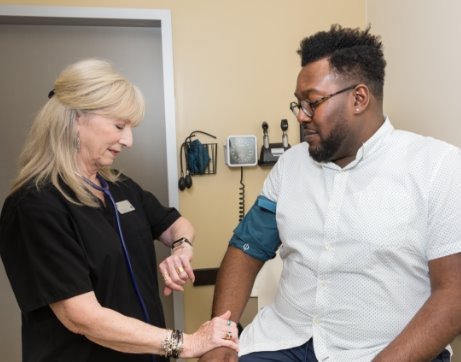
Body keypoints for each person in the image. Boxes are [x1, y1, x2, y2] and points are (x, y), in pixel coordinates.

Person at [199, 24, 461, 362]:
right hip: (283, 342)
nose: (301, 117)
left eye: (312, 103)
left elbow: (454, 293)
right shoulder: (291, 164)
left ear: (359, 98)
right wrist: (220, 337)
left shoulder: (439, 167)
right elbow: (246, 249)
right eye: (297, 105)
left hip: (384, 351)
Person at [0, 58, 239, 362]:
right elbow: (81, 317)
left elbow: (178, 224)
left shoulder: (119, 187)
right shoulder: (35, 206)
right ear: (76, 119)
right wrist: (187, 343)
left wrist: (181, 248)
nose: (128, 140)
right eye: (119, 126)